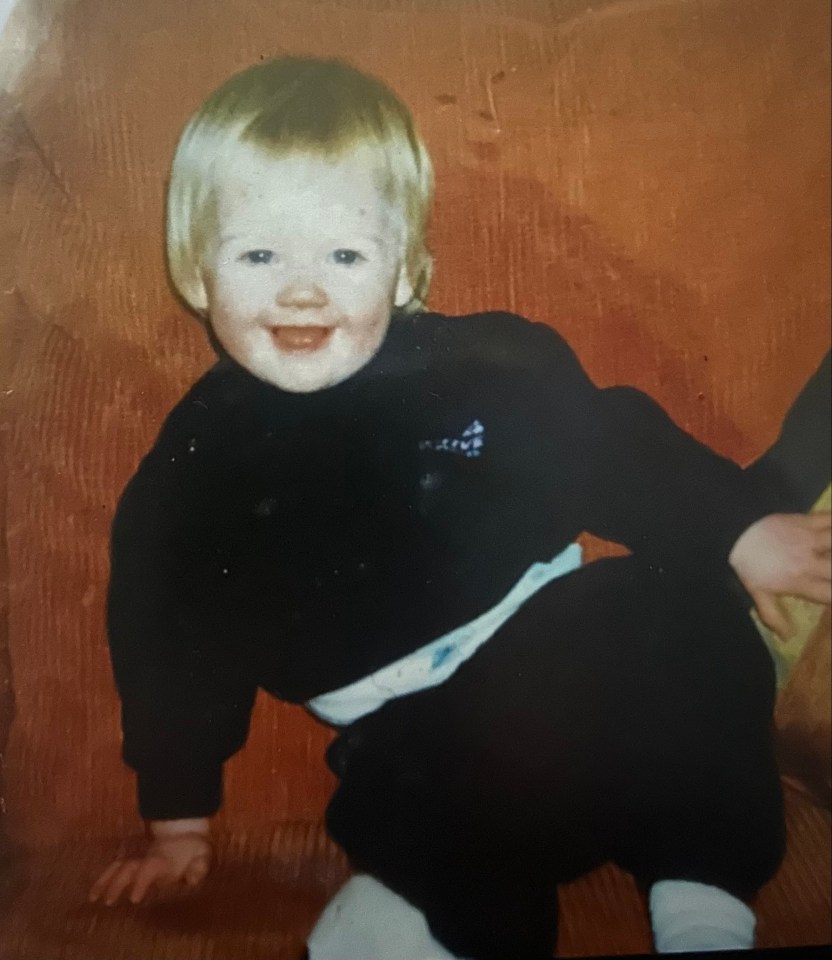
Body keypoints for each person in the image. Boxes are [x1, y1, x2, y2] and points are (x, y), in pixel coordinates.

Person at [88, 57, 831, 959]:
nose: (302, 288)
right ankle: (428, 921)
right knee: (395, 794)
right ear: (197, 273)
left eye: (345, 254)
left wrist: (739, 528)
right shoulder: (193, 473)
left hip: (569, 651)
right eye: (258, 254)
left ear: (403, 271)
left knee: (681, 611)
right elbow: (169, 646)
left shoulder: (485, 367)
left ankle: (703, 903)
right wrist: (179, 825)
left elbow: (609, 443)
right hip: (417, 735)